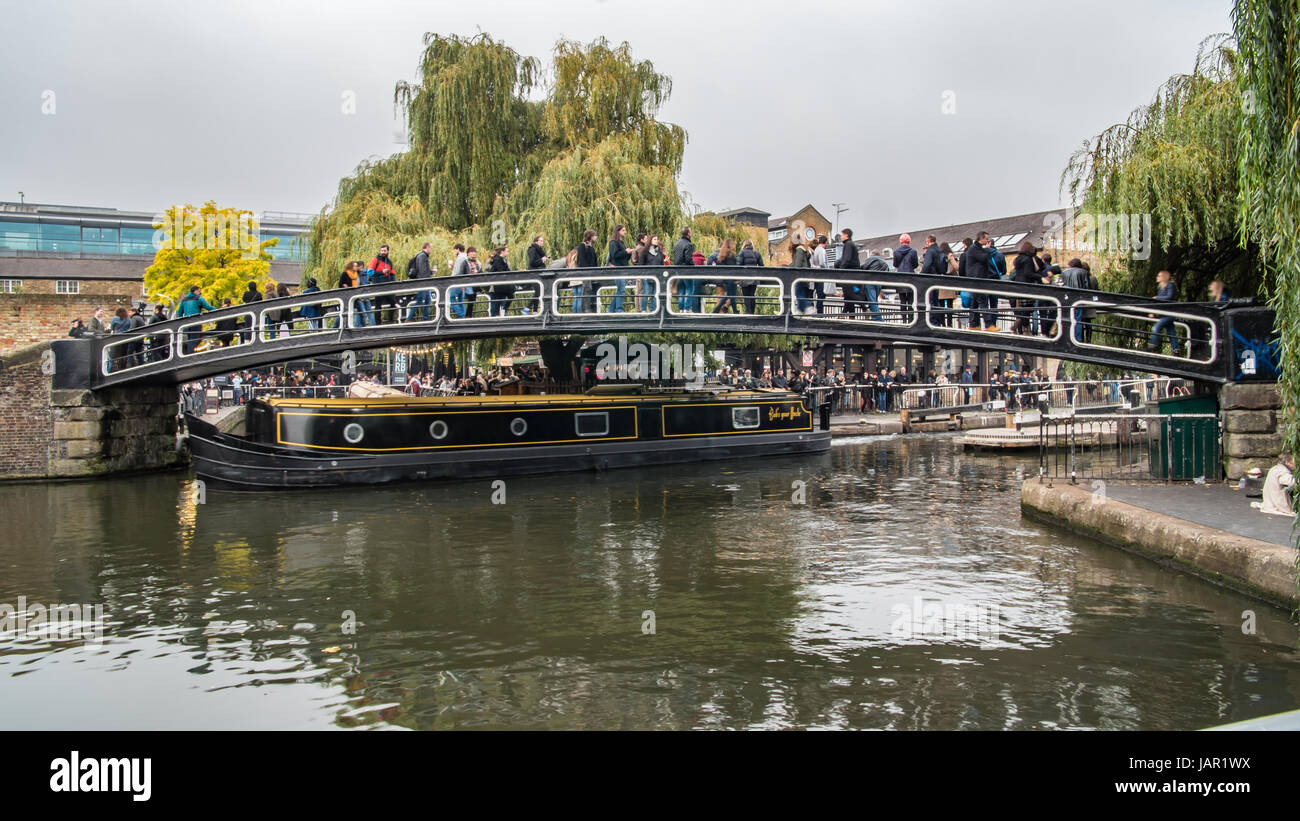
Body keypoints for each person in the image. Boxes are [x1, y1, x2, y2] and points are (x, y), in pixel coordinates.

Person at [963, 232, 998, 331]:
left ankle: (973, 324)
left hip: (976, 278)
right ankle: (988, 325)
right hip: (977, 279)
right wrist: (987, 249)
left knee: (974, 302)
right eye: (986, 239)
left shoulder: (976, 248)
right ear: (981, 239)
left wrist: (986, 250)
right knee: (983, 301)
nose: (988, 241)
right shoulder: (974, 249)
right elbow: (984, 258)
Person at [1011, 241, 1047, 335]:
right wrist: (1040, 278)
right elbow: (1028, 273)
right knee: (1028, 308)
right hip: (1027, 285)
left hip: (1018, 285)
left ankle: (1020, 326)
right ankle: (1025, 328)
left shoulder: (1018, 258)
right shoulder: (1028, 259)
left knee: (1023, 308)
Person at [1146, 269, 1181, 354]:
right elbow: (1159, 302)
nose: (1157, 277)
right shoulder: (1160, 287)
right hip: (1164, 313)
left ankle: (1152, 345)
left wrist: (1157, 298)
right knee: (1171, 332)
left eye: (1159, 276)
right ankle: (1176, 350)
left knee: (1156, 327)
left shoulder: (1170, 285)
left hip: (1170, 312)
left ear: (1164, 277)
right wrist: (1153, 311)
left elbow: (1169, 297)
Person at [176, 285, 217, 353]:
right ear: (195, 291)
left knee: (190, 339)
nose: (200, 292)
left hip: (186, 324)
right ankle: (191, 355)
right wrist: (217, 310)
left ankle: (189, 353)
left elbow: (179, 312)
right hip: (196, 323)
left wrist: (182, 320)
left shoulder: (183, 300)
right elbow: (208, 307)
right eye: (199, 291)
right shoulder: (199, 298)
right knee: (194, 339)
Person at [405, 242, 435, 322]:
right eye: (430, 248)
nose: (431, 250)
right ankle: (409, 318)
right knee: (420, 300)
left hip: (425, 282)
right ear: (427, 247)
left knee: (428, 301)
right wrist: (426, 278)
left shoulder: (423, 256)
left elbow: (423, 270)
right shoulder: (422, 256)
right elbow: (421, 270)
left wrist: (430, 272)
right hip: (423, 282)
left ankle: (426, 319)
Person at [833, 228, 860, 318]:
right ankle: (849, 315)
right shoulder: (850, 244)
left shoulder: (848, 244)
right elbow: (845, 259)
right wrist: (837, 263)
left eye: (842, 235)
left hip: (849, 273)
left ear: (846, 235)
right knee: (848, 294)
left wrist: (841, 269)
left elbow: (846, 259)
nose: (841, 237)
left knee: (849, 293)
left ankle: (863, 308)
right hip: (852, 272)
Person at [919, 234, 945, 324]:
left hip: (929, 279)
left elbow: (927, 265)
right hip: (937, 277)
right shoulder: (940, 250)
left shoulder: (930, 251)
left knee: (930, 301)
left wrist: (921, 275)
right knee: (936, 301)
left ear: (928, 241)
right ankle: (938, 321)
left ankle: (932, 322)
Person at [606, 225, 631, 313]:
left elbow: (624, 258)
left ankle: (610, 309)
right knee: (621, 289)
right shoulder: (613, 243)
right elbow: (614, 255)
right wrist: (625, 252)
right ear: (618, 231)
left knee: (620, 289)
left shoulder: (622, 243)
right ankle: (619, 309)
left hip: (623, 268)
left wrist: (629, 254)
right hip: (617, 268)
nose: (625, 232)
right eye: (623, 230)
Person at [859, 249, 890, 321]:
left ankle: (877, 318)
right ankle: (874, 316)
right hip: (879, 283)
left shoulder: (871, 259)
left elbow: (862, 268)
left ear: (872, 255)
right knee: (874, 301)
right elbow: (888, 273)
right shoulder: (885, 263)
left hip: (870, 282)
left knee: (872, 301)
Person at [671, 227, 697, 312]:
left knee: (681, 289)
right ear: (688, 234)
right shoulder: (688, 245)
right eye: (691, 232)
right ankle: (686, 308)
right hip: (686, 271)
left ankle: (681, 309)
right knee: (689, 289)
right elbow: (688, 259)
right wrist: (694, 266)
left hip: (678, 271)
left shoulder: (677, 244)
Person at [711, 238, 740, 314]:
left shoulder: (722, 255)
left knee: (731, 295)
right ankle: (719, 309)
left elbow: (718, 264)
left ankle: (734, 311)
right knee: (731, 295)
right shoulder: (731, 255)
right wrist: (737, 278)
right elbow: (735, 268)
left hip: (725, 279)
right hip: (731, 278)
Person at [737, 239, 763, 313]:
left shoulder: (742, 253)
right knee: (752, 295)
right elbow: (762, 266)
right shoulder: (757, 253)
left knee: (746, 296)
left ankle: (749, 313)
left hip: (745, 278)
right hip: (754, 278)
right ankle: (752, 313)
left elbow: (738, 265)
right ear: (752, 245)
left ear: (744, 245)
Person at [487, 245, 515, 317]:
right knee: (499, 298)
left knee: (506, 297)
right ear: (502, 252)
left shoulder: (502, 259)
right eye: (507, 251)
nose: (508, 253)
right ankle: (499, 313)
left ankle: (502, 311)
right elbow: (501, 270)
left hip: (502, 283)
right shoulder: (498, 260)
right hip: (499, 283)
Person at [789, 236, 813, 314]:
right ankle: (799, 311)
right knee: (801, 293)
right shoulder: (803, 251)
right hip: (804, 277)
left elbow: (797, 265)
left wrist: (789, 267)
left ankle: (808, 307)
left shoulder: (799, 250)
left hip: (799, 277)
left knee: (798, 293)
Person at [810, 234, 830, 314]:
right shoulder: (822, 250)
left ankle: (816, 312)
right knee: (821, 295)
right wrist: (827, 270)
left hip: (816, 275)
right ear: (825, 242)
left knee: (818, 294)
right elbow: (822, 263)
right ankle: (820, 313)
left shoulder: (816, 250)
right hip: (821, 275)